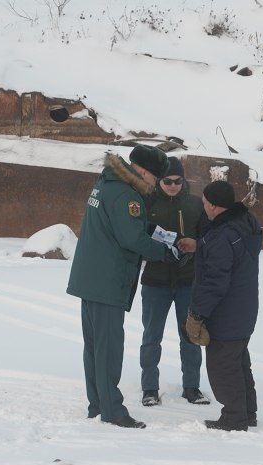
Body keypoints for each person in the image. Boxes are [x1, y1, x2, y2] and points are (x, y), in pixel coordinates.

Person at [67, 145, 176, 429]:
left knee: (94, 347)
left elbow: (121, 226)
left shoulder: (106, 183)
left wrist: (153, 234)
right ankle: (113, 411)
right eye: (155, 179)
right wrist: (164, 252)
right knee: (109, 349)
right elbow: (131, 238)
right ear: (143, 171)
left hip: (90, 278)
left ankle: (98, 405)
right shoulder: (128, 195)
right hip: (107, 279)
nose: (155, 185)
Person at [182, 180, 263, 432]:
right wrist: (201, 246)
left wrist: (197, 313)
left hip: (227, 313)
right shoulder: (244, 223)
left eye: (206, 201)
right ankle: (247, 412)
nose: (203, 205)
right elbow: (227, 255)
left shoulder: (223, 235)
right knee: (238, 363)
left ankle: (234, 418)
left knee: (222, 367)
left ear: (216, 207)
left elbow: (215, 281)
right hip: (244, 309)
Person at [139, 157, 210, 407]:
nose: (171, 185)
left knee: (190, 335)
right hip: (154, 281)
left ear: (183, 181)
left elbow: (208, 238)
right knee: (151, 336)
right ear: (159, 181)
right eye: (166, 181)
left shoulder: (195, 205)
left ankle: (192, 387)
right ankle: (149, 387)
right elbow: (137, 238)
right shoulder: (147, 203)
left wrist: (194, 247)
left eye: (177, 181)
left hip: (187, 281)